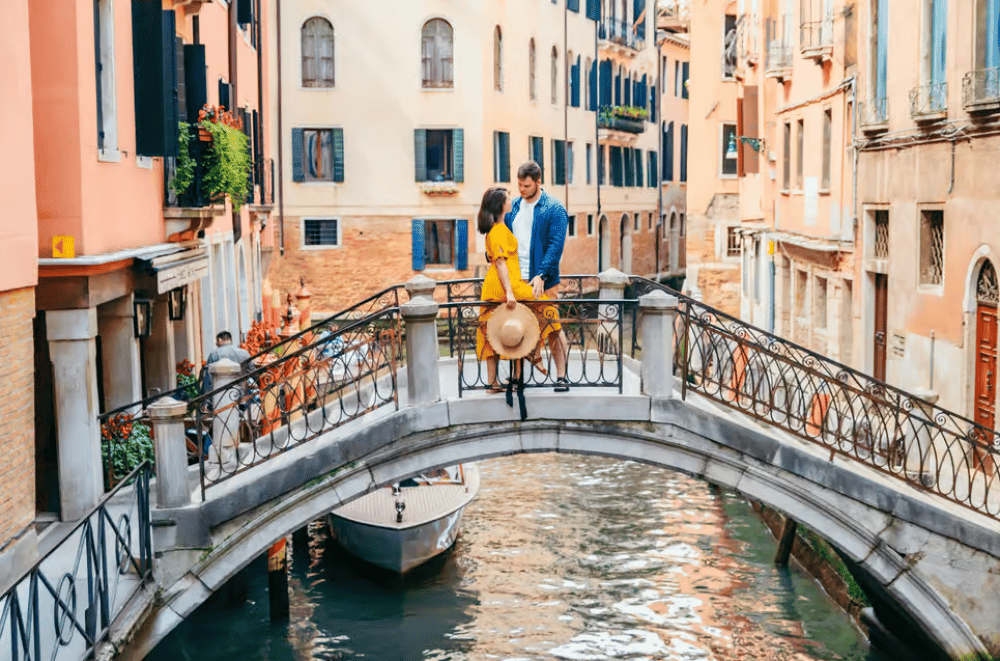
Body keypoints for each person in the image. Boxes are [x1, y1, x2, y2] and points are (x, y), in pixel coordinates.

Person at [475, 187, 562, 392]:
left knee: (492, 332)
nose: (511, 200)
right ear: (501, 205)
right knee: (547, 308)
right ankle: (534, 353)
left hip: (502, 286)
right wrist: (511, 293)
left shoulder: (498, 229)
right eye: (508, 198)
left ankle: (495, 382)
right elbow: (500, 264)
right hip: (505, 286)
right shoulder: (498, 231)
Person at [505, 161, 571, 391]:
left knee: (552, 326)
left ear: (538, 182)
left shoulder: (554, 208)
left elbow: (556, 245)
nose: (522, 190)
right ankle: (518, 377)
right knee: (517, 328)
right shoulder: (512, 206)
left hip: (543, 281)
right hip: (517, 280)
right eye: (520, 185)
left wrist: (542, 274)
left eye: (527, 186)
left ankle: (561, 376)